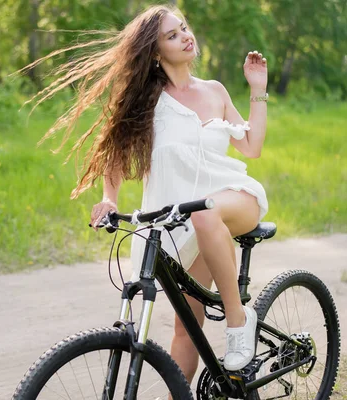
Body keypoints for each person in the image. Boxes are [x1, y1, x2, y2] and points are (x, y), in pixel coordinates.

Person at [19, 4, 268, 386]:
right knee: (186, 334)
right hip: (182, 224)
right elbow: (115, 154)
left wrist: (257, 89)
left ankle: (239, 321)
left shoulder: (215, 91)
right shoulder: (150, 102)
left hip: (234, 197)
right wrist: (110, 198)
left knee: (207, 212)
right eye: (172, 35)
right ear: (154, 51)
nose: (186, 36)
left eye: (183, 28)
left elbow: (251, 147)